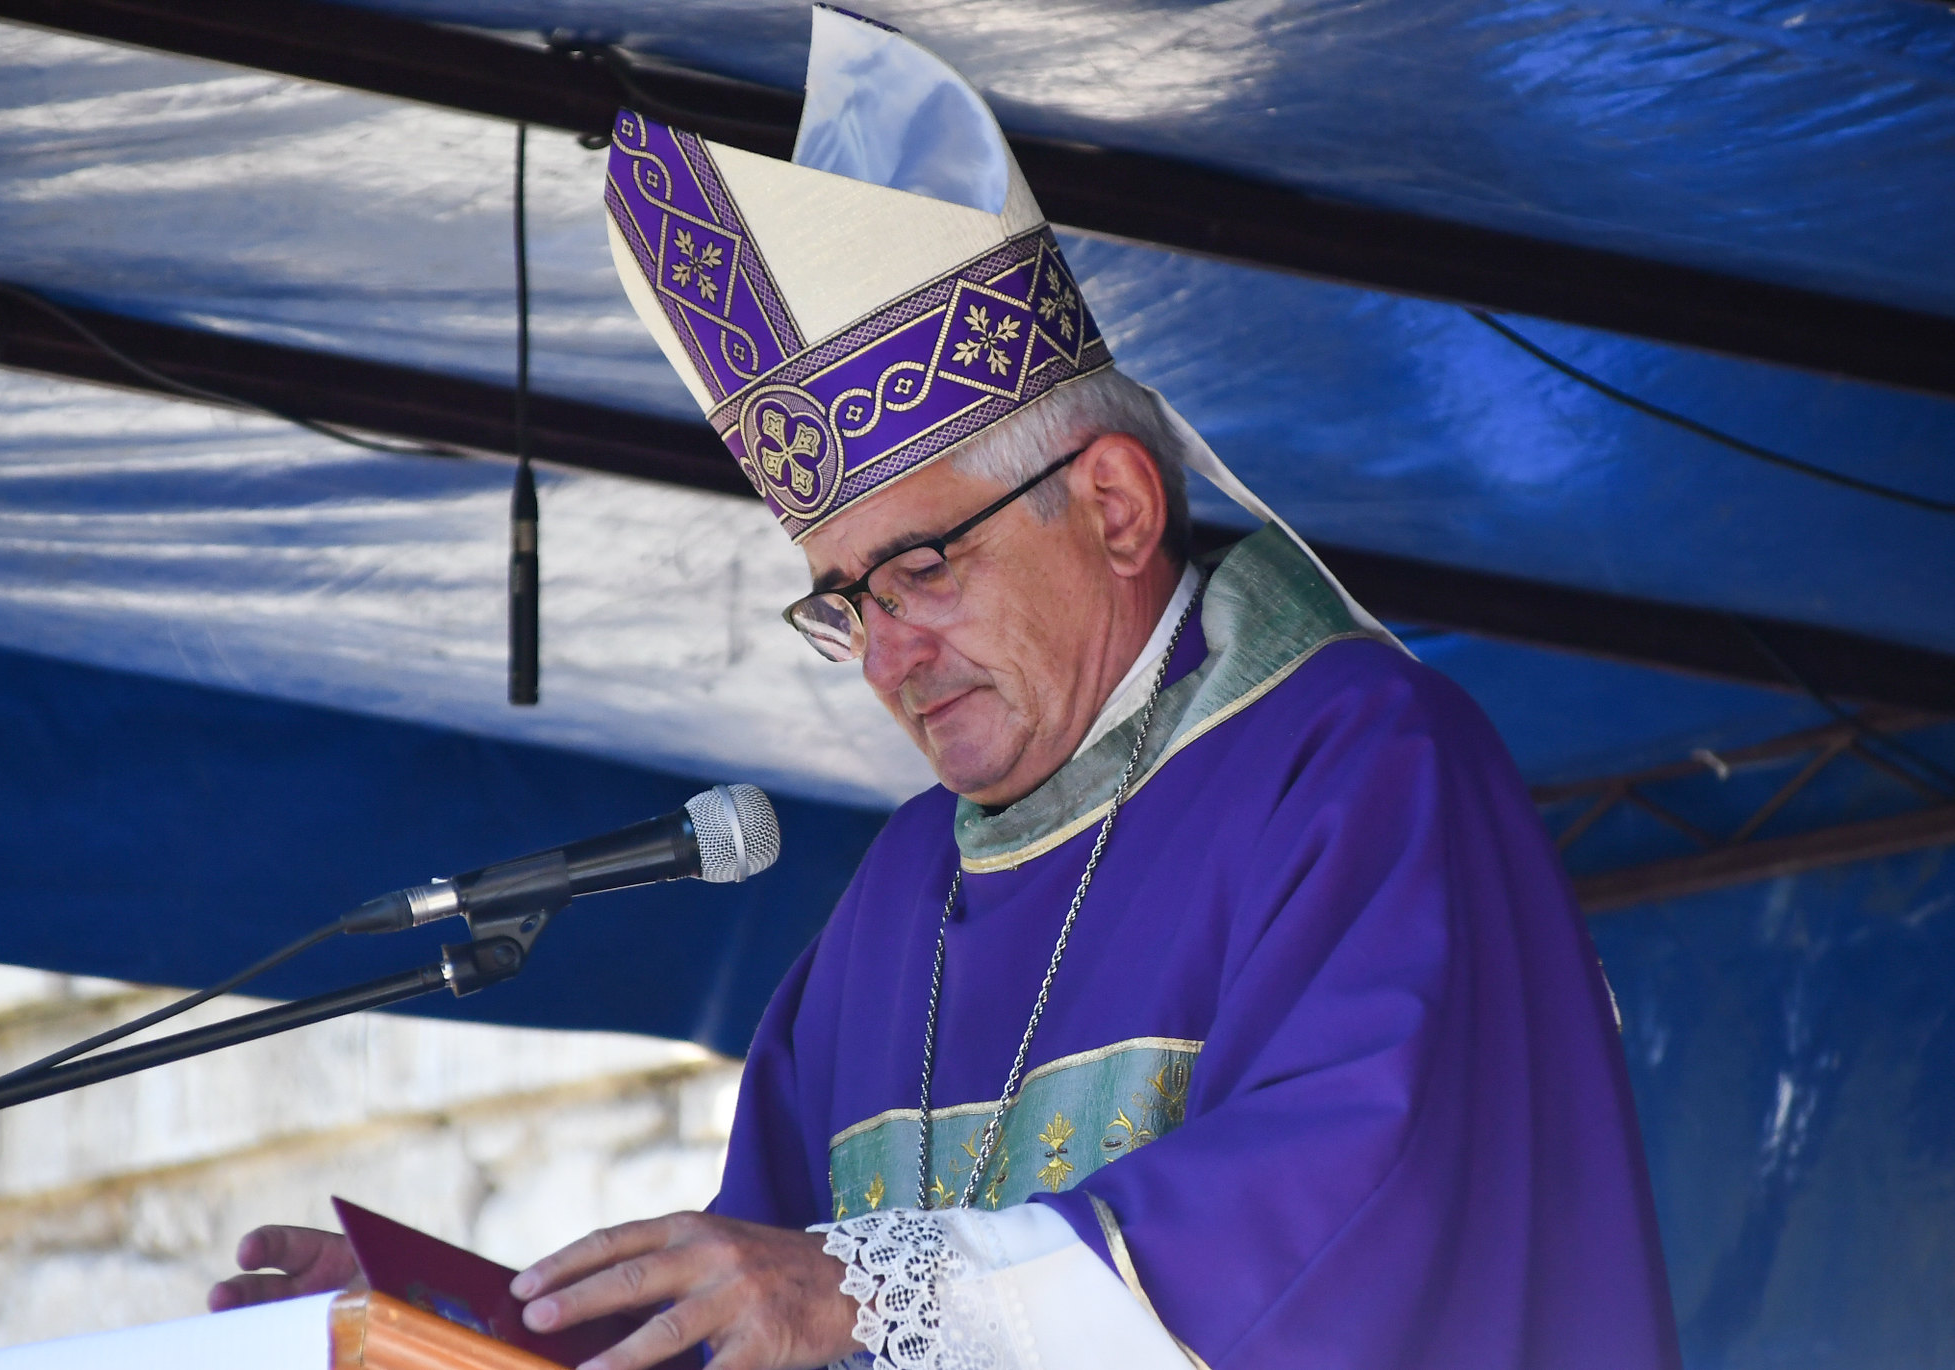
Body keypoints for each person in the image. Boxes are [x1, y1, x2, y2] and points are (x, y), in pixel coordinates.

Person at [211, 9, 1681, 1369]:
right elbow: (759, 1307)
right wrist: (469, 1320)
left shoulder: (1358, 765)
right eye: (845, 601)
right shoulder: (901, 896)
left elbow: (1360, 1212)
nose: (887, 656)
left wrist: (875, 1287)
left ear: (1114, 506)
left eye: (921, 568)